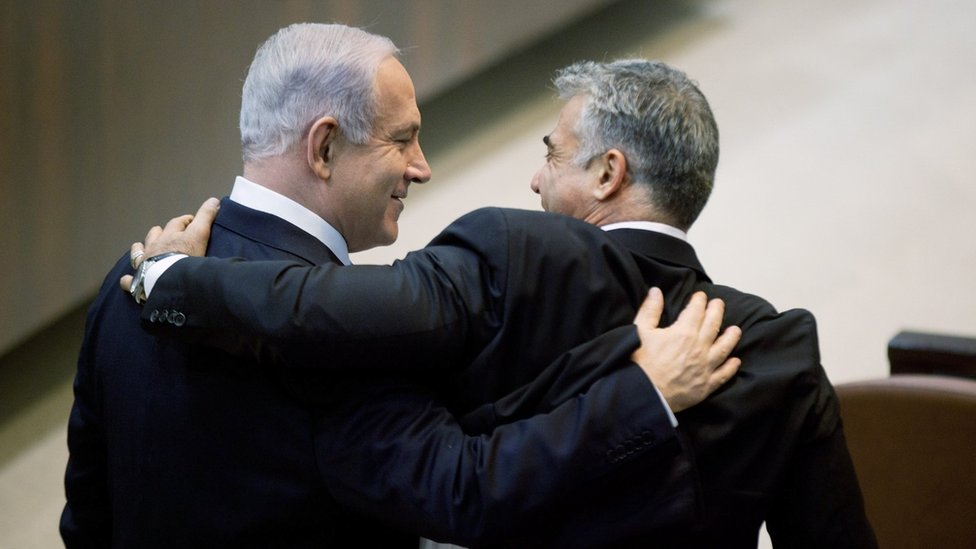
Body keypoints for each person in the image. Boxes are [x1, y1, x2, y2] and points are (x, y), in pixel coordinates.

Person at [130, 59, 877, 547]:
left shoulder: (513, 257)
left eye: (552, 153)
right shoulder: (777, 347)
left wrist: (174, 279)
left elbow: (327, 305)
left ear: (608, 172)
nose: (534, 180)